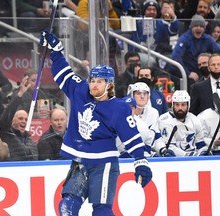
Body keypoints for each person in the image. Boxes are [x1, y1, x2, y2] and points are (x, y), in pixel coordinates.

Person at [40, 31, 152, 215]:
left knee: (101, 211)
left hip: (104, 164)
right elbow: (64, 73)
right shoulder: (80, 90)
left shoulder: (118, 108)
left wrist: (140, 160)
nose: (94, 85)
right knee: (67, 206)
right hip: (80, 161)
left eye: (99, 81)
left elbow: (131, 137)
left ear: (109, 85)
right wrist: (55, 51)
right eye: (92, 80)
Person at [170, 14, 220, 91]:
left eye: (201, 26)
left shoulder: (207, 39)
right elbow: (176, 57)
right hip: (185, 73)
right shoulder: (185, 38)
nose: (199, 28)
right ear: (191, 27)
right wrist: (188, 73)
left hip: (201, 71)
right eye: (196, 26)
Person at [0, 76, 38, 161]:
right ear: (12, 120)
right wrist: (19, 95)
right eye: (20, 118)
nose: (23, 121)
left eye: (26, 119)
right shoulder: (6, 133)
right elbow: (6, 117)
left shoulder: (31, 141)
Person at [157, 90, 208, 157]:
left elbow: (200, 144)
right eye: (177, 105)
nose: (180, 108)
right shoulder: (165, 120)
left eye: (183, 105)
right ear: (173, 105)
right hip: (174, 160)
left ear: (188, 105)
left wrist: (204, 151)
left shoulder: (194, 120)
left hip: (193, 158)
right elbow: (170, 147)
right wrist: (187, 155)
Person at [128, 0, 179, 67]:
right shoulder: (138, 22)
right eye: (149, 9)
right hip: (137, 54)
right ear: (144, 11)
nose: (152, 12)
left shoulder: (160, 23)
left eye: (154, 10)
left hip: (156, 54)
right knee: (151, 61)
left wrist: (173, 16)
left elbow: (173, 31)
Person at [127, 82, 161, 156]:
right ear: (132, 95)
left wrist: (163, 149)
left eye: (145, 93)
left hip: (147, 154)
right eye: (138, 93)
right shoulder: (124, 113)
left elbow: (157, 139)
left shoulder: (154, 113)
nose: (142, 96)